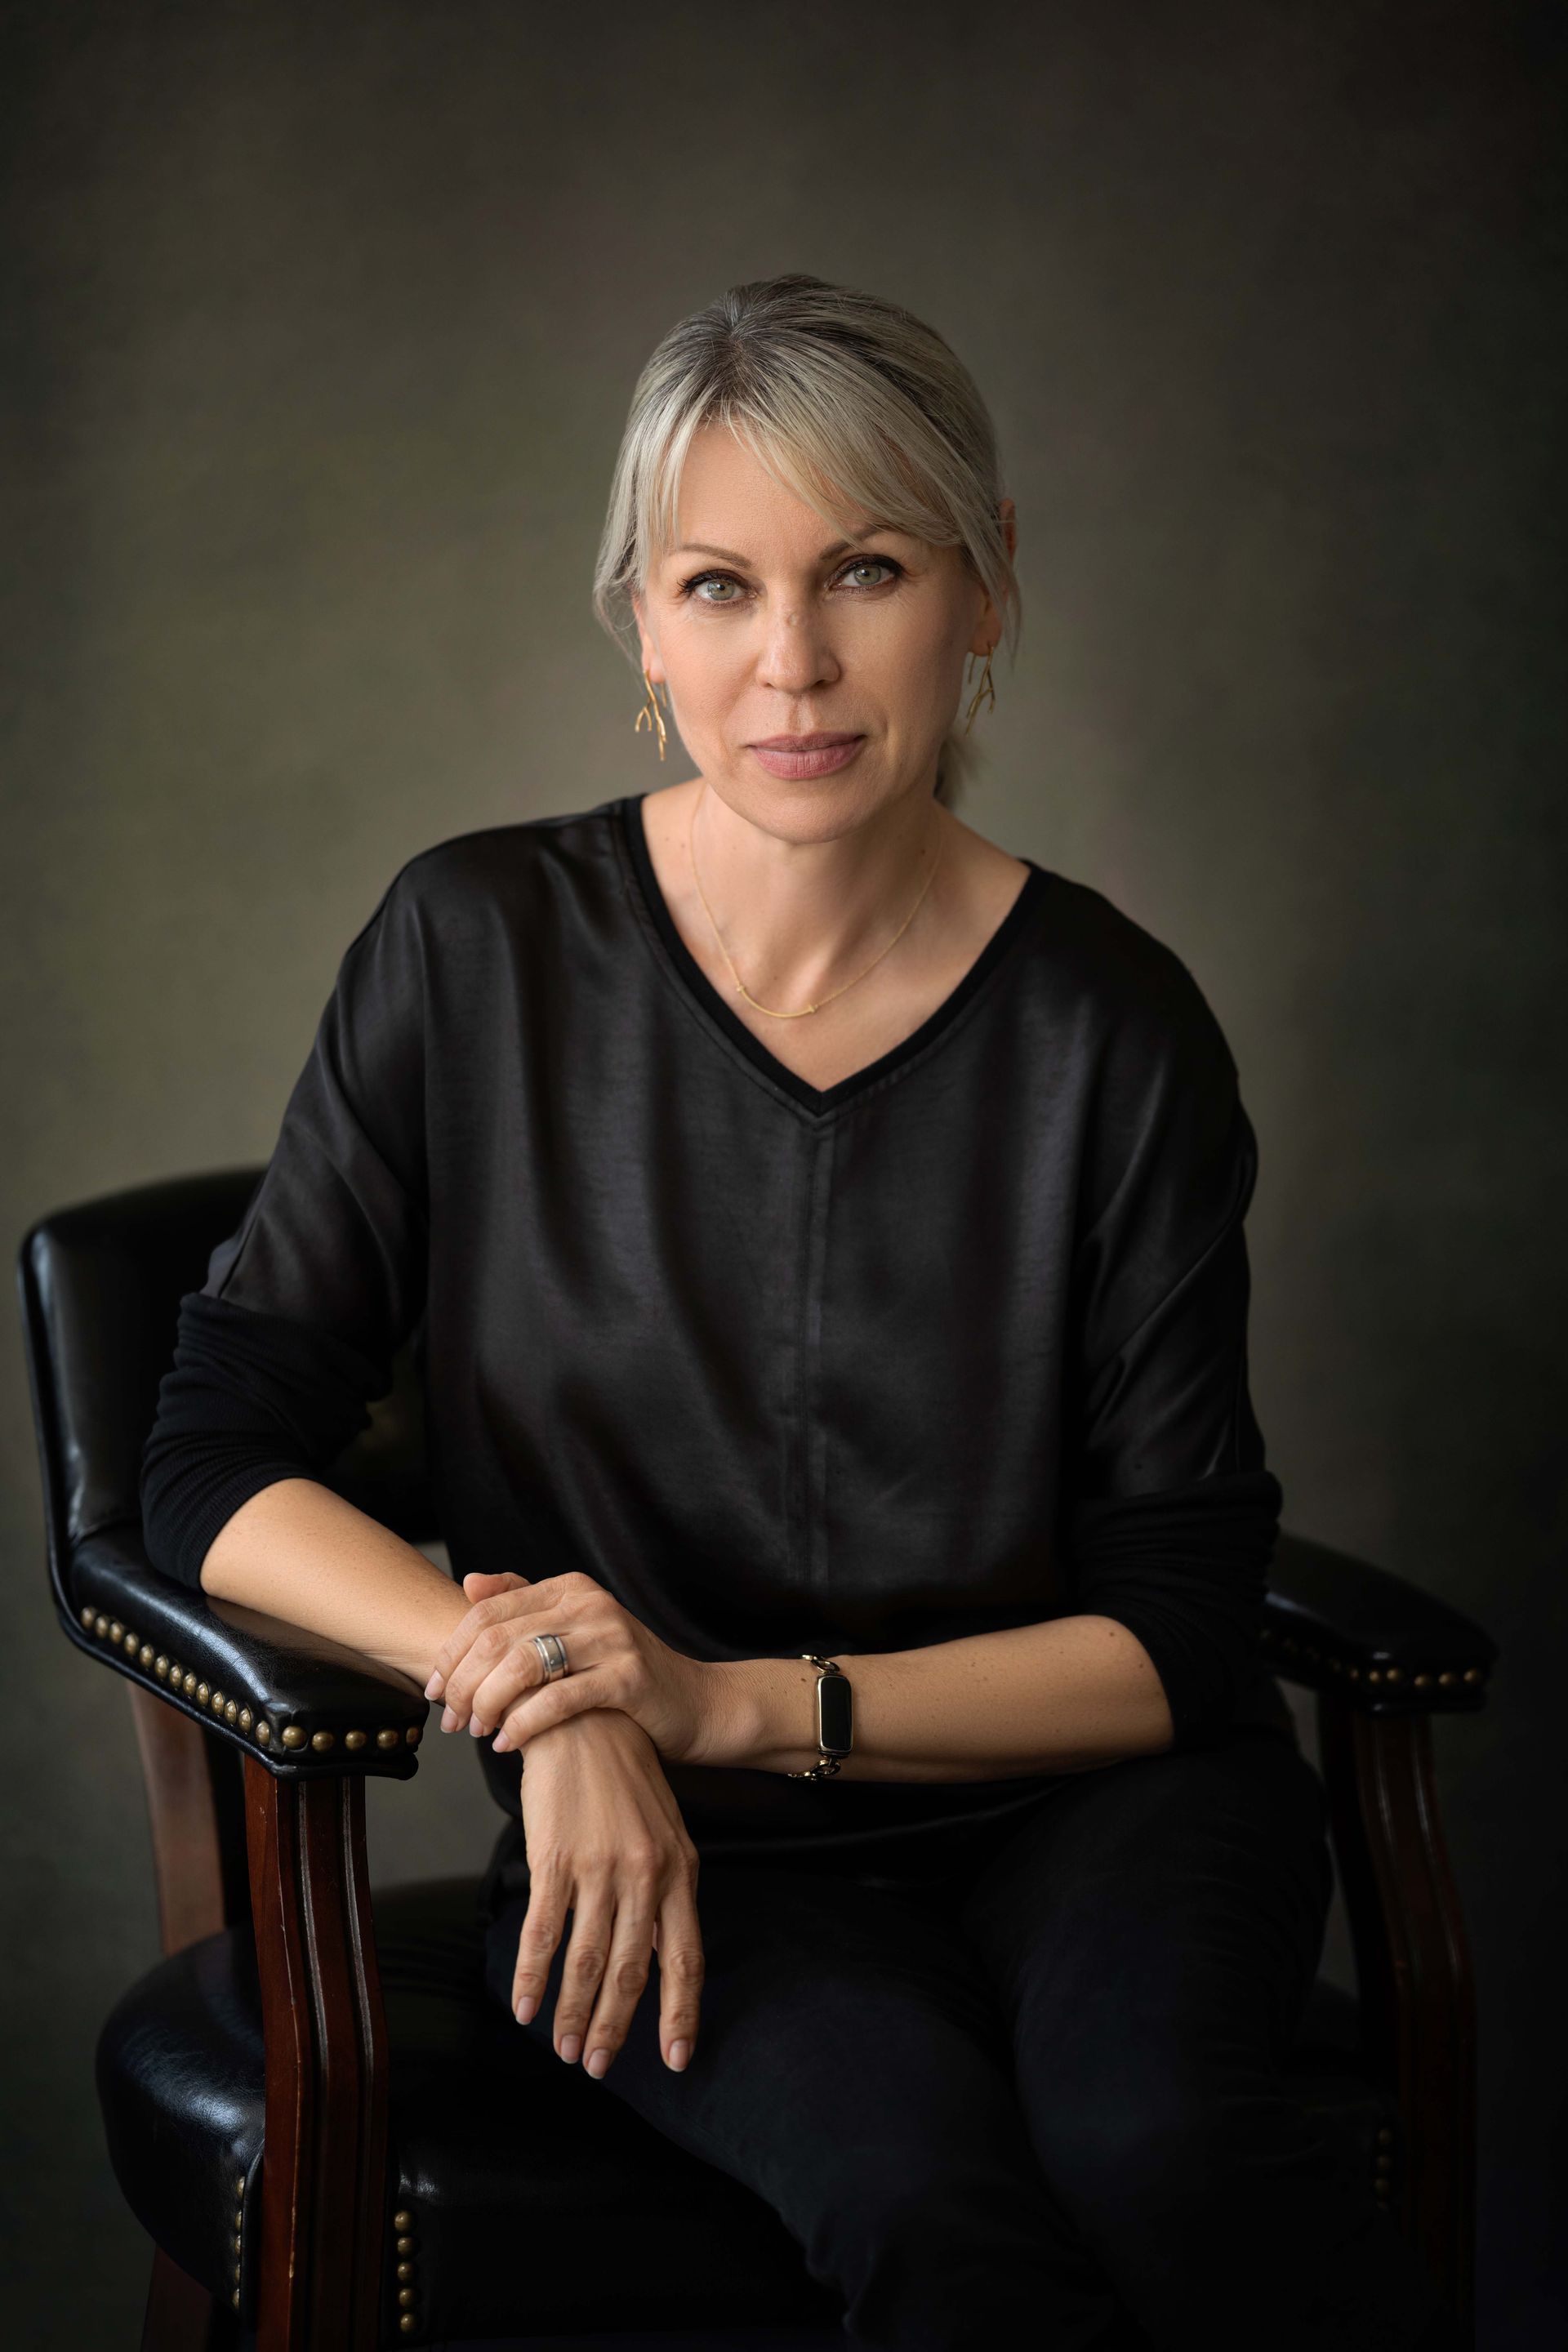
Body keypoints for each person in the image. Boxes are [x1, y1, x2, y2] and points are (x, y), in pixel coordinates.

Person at [140, 274, 1453, 2351]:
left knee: (1173, 2165)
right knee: (941, 2221)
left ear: (990, 587)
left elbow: (1183, 1628)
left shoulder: (1120, 1030)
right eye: (719, 586)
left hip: (1100, 1815)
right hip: (686, 1859)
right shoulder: (472, 948)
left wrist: (730, 1697)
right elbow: (213, 1461)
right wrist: (557, 1694)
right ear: (641, 631)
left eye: (868, 569)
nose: (796, 664)